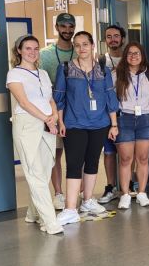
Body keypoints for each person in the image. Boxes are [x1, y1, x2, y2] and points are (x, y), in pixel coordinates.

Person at [53, 31, 119, 225]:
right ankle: (70, 208)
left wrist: (114, 124)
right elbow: (59, 98)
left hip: (99, 123)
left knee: (92, 162)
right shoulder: (65, 68)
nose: (82, 48)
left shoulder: (103, 70)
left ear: (92, 46)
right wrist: (61, 122)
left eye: (85, 44)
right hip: (74, 124)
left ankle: (88, 200)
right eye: (77, 45)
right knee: (74, 164)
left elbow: (109, 97)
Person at [7, 35, 64, 234]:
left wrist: (54, 116)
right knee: (35, 173)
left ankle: (33, 213)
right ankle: (50, 222)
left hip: (48, 123)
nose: (32, 52)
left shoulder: (43, 73)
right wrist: (45, 118)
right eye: (28, 48)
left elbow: (50, 99)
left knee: (46, 168)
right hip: (27, 124)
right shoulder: (14, 74)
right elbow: (23, 102)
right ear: (19, 51)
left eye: (35, 48)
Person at [114, 42, 149, 209]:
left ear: (142, 55)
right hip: (124, 119)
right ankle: (125, 195)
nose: (133, 56)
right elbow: (111, 99)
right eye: (130, 53)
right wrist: (113, 123)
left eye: (137, 53)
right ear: (125, 56)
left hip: (145, 119)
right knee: (125, 159)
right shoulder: (117, 74)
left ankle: (142, 193)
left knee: (143, 158)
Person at [39, 12, 76, 210]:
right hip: (53, 111)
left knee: (76, 154)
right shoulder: (44, 55)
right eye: (63, 26)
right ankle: (59, 194)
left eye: (71, 27)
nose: (67, 30)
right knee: (56, 154)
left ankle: (76, 192)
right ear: (57, 27)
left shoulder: (79, 52)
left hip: (76, 112)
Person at [98, 25, 125, 204]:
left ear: (122, 38)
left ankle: (128, 185)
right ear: (105, 40)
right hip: (108, 112)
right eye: (109, 36)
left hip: (129, 112)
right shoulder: (100, 60)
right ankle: (110, 187)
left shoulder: (131, 57)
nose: (113, 39)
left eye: (116, 36)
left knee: (126, 152)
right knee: (109, 152)